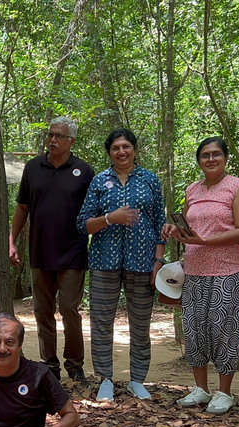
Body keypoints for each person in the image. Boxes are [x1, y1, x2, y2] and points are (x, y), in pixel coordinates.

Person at [162, 137, 239, 415]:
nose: (210, 159)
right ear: (199, 160)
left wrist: (207, 242)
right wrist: (175, 231)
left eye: (216, 154)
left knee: (225, 331)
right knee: (195, 331)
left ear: (225, 158)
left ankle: (224, 392)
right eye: (205, 155)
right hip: (194, 272)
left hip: (227, 271)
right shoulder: (193, 189)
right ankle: (200, 389)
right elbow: (191, 231)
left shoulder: (237, 187)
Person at [76, 128, 166, 402]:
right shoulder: (100, 181)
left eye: (126, 146)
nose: (121, 152)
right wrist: (110, 217)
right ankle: (105, 379)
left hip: (142, 261)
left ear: (135, 150)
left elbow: (160, 225)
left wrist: (158, 261)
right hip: (104, 260)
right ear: (110, 153)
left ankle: (137, 379)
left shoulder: (149, 180)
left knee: (141, 323)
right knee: (102, 322)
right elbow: (83, 224)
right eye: (116, 148)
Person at [9, 117, 95, 384]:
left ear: (72, 141)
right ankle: (49, 364)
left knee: (69, 309)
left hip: (73, 253)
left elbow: (94, 213)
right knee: (42, 311)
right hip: (40, 252)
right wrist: (11, 241)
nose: (53, 140)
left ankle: (74, 363)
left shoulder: (84, 171)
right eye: (50, 135)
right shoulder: (33, 167)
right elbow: (22, 207)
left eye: (59, 136)